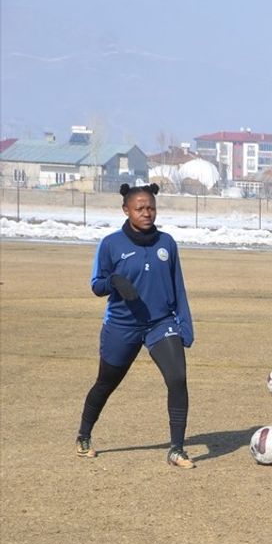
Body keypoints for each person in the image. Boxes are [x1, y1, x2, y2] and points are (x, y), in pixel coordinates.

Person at [76, 183, 195, 468]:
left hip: (161, 323)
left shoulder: (167, 243)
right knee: (106, 383)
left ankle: (177, 449)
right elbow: (96, 285)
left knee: (177, 379)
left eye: (151, 207)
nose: (147, 213)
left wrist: (185, 324)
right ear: (126, 210)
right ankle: (84, 435)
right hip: (122, 325)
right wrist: (114, 281)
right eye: (140, 208)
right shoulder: (110, 244)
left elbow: (178, 286)